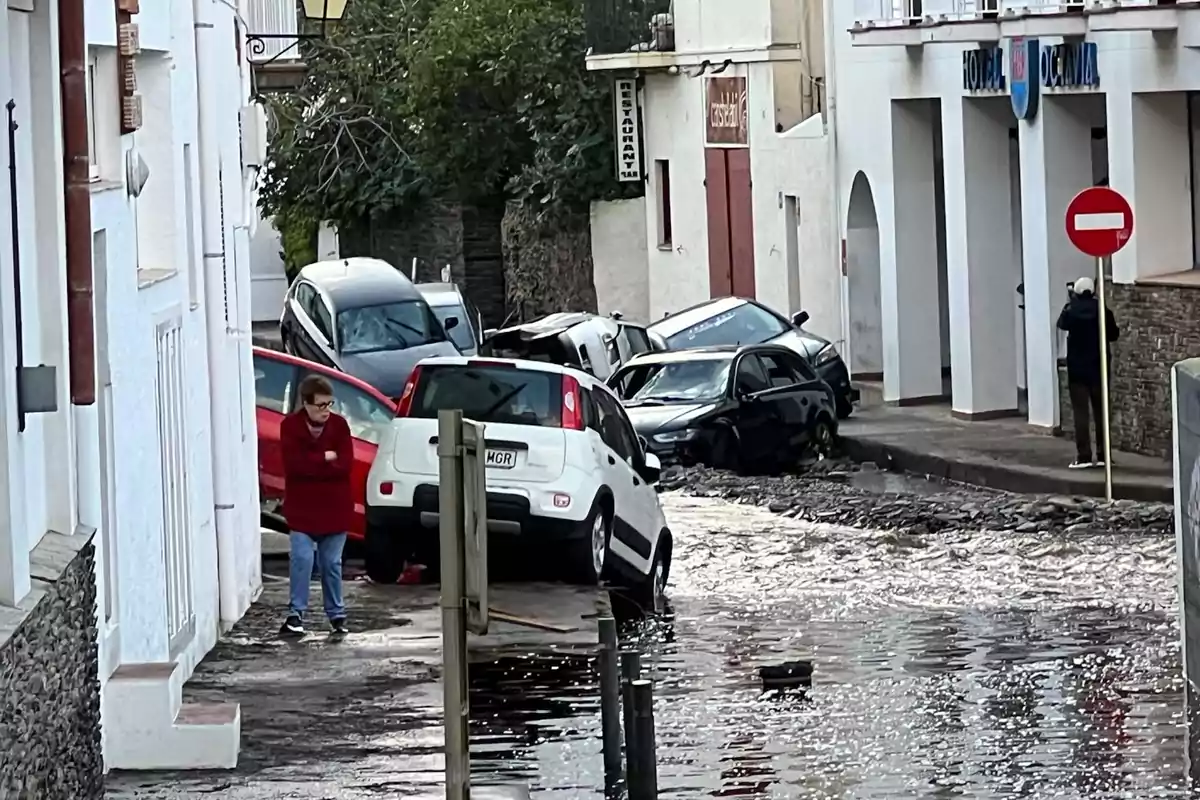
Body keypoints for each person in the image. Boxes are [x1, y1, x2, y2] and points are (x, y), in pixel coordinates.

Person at [279, 374, 353, 636]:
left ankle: (337, 615)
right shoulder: (290, 427)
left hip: (335, 509)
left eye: (329, 404)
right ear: (306, 404)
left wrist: (315, 462)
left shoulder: (340, 427)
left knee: (331, 563)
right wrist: (325, 457)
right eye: (321, 405)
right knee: (302, 558)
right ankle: (295, 614)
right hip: (303, 509)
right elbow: (294, 466)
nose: (326, 411)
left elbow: (345, 464)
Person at [1056, 276, 1119, 470]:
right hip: (1099, 367)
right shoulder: (1102, 310)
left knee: (1081, 414)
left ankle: (1083, 456)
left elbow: (1061, 323)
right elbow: (1113, 334)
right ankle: (1103, 455)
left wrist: (1070, 302)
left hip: (1077, 369)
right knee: (1101, 413)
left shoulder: (1071, 310)